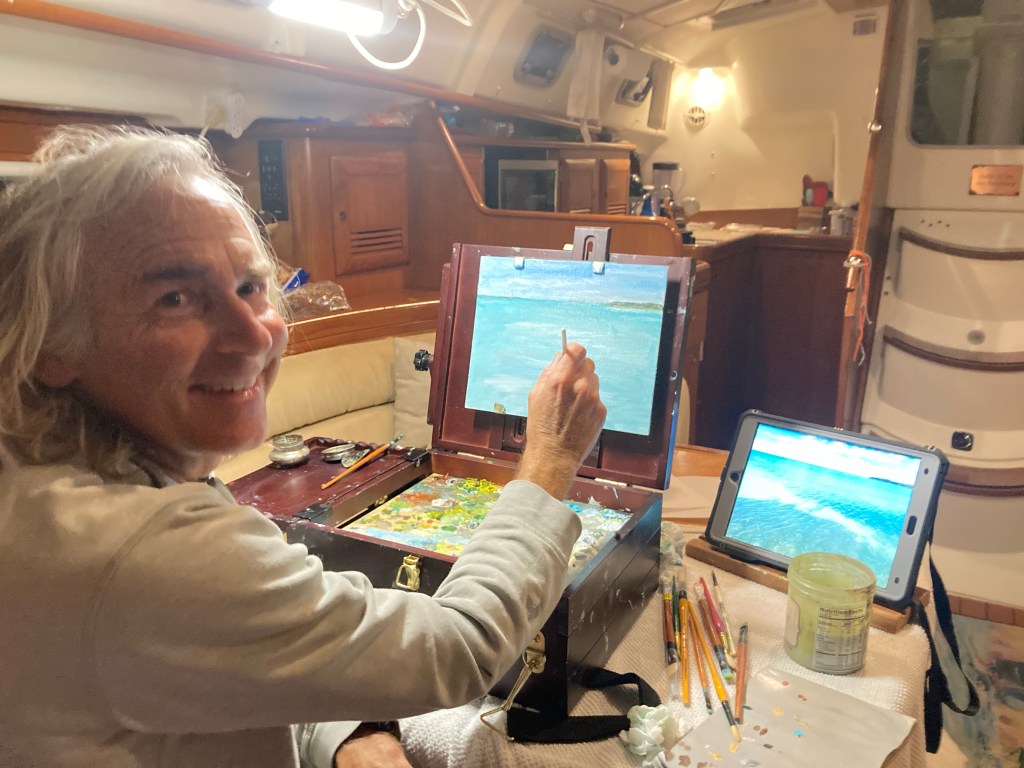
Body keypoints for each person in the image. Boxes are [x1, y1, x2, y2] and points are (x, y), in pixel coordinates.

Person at [0, 125, 607, 767]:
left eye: (250, 286)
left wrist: (349, 733)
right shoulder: (141, 551)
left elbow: (217, 668)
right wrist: (550, 457)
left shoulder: (51, 473)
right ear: (51, 344)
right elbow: (460, 649)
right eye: (174, 298)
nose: (253, 336)